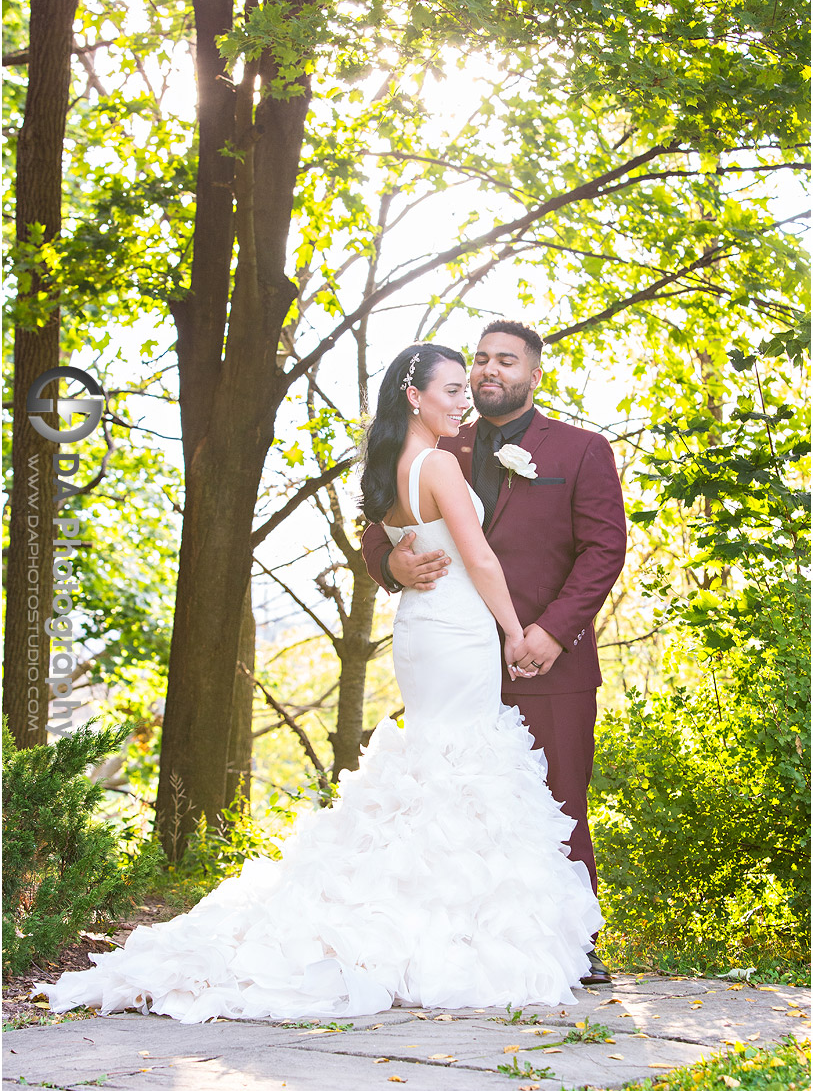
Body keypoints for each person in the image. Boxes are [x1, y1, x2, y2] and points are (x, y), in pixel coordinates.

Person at [32, 342, 601, 1025]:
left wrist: (529, 626)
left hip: (460, 639)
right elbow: (445, 548)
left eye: (492, 369)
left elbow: (591, 547)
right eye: (462, 375)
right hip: (459, 633)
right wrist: (478, 608)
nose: (474, 387)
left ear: (533, 373)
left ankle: (478, 927)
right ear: (415, 395)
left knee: (473, 777)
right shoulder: (445, 455)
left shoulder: (498, 454)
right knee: (461, 769)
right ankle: (458, 935)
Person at [361, 321, 627, 985]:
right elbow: (381, 530)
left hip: (546, 658)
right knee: (459, 795)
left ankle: (573, 942)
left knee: (555, 799)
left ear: (533, 375)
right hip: (457, 654)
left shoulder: (580, 449)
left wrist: (549, 631)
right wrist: (393, 563)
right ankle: (457, 940)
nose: (488, 370)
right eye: (479, 359)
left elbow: (604, 550)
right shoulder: (436, 443)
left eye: (505, 360)